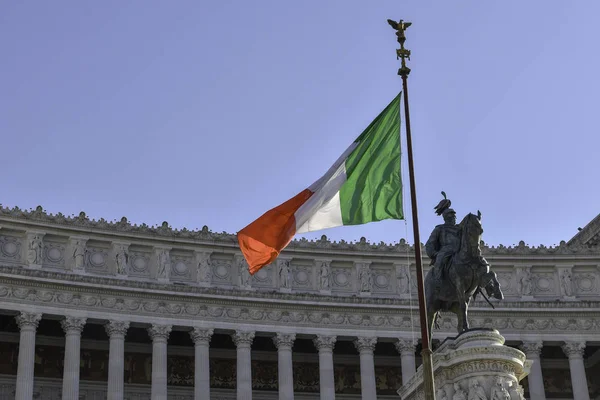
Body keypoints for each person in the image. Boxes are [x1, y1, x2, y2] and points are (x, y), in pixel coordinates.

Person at [425, 207, 461, 288]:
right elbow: (430, 243)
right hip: (446, 251)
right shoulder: (440, 229)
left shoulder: (460, 229)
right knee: (440, 260)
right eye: (451, 217)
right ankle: (438, 280)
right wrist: (434, 253)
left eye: (454, 217)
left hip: (460, 251)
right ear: (446, 219)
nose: (454, 219)